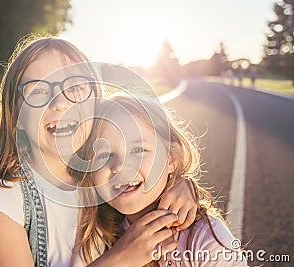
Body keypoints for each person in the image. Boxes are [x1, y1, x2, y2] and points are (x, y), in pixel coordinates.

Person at [0, 36, 198, 267]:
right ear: (15, 114)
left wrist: (178, 182)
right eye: (37, 91)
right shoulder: (5, 194)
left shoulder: (101, 169)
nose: (58, 103)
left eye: (75, 88)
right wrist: (120, 259)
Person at [75, 95, 248, 266]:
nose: (120, 166)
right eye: (104, 155)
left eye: (138, 150)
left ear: (171, 159)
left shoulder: (203, 238)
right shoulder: (94, 233)